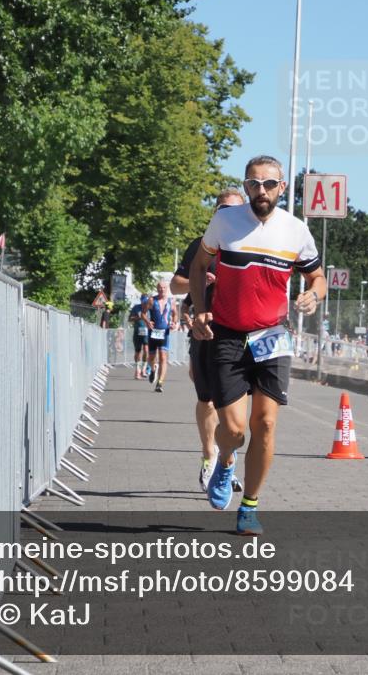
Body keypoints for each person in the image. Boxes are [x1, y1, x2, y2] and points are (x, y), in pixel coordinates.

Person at [189, 155, 325, 535]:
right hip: (228, 335)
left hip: (272, 336)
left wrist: (314, 295)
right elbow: (200, 267)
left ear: (282, 188)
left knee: (264, 424)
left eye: (268, 184)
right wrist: (201, 311)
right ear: (245, 186)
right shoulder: (225, 222)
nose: (260, 191)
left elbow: (317, 277)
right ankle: (226, 459)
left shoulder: (295, 231)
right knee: (233, 431)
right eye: (253, 183)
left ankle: (249, 506)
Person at [171, 187, 246, 492]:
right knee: (208, 398)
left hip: (240, 334)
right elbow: (176, 285)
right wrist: (198, 280)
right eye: (222, 210)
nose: (227, 215)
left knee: (232, 405)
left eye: (234, 210)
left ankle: (226, 460)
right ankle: (209, 457)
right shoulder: (202, 246)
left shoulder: (251, 246)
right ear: (215, 213)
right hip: (206, 330)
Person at [142, 281, 177, 393]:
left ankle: (160, 383)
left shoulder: (171, 301)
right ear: (157, 288)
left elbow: (175, 314)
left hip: (165, 332)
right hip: (153, 332)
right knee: (151, 357)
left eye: (164, 287)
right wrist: (147, 321)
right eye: (160, 287)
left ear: (167, 288)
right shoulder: (152, 300)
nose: (162, 289)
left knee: (163, 357)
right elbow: (143, 313)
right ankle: (153, 370)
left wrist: (174, 323)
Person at [129, 294, 150, 380]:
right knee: (138, 352)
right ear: (141, 300)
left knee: (146, 350)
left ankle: (144, 369)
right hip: (138, 332)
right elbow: (129, 319)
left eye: (145, 302)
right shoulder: (136, 308)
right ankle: (137, 371)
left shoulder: (150, 309)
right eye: (143, 301)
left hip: (147, 332)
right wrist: (137, 318)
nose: (144, 303)